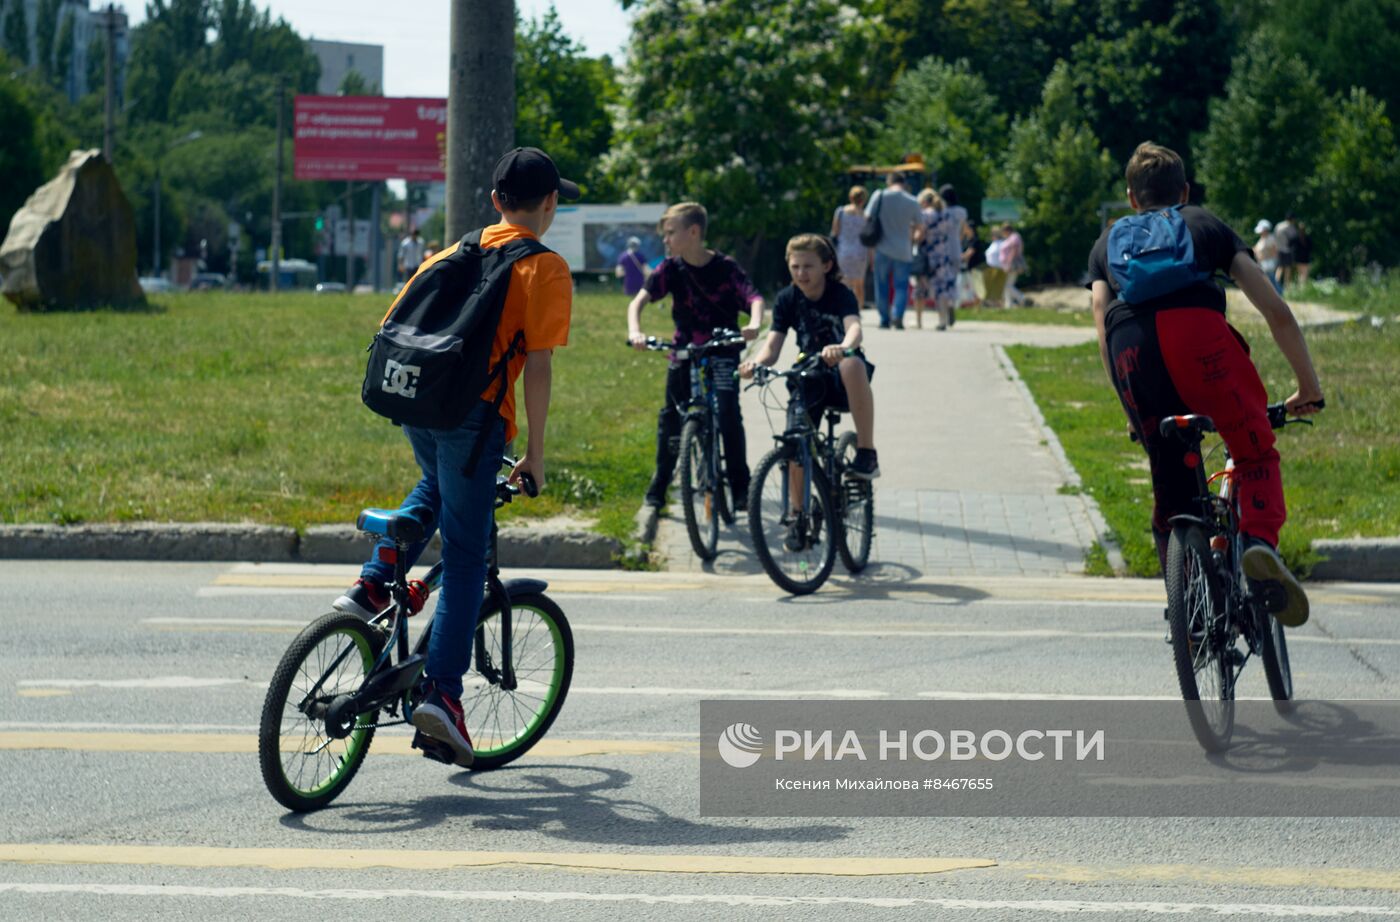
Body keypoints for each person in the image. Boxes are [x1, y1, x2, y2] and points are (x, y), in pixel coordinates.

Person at [333, 147, 577, 766]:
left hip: (417, 399)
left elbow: (395, 320)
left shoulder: (452, 249)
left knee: (436, 487)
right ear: (549, 204)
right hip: (474, 414)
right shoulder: (543, 268)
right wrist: (536, 455)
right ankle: (442, 694)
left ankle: (370, 586)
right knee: (468, 555)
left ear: (495, 200)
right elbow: (539, 366)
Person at [1088, 142, 1324, 627]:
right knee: (1254, 450)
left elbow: (1100, 322)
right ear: (1185, 191)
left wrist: (1133, 414)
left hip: (1132, 350)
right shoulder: (1204, 224)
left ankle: (1190, 616)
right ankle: (1257, 544)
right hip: (1199, 342)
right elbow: (1274, 310)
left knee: (1170, 489)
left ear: (1131, 197)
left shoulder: (1107, 243)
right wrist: (1308, 385)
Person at [740, 234, 879, 547]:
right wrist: (755, 364)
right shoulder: (788, 298)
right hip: (809, 377)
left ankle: (867, 452)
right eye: (795, 266)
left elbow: (854, 326)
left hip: (842, 377)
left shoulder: (840, 293)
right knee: (796, 441)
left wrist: (843, 347)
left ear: (826, 266)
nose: (801, 273)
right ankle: (798, 516)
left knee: (852, 364)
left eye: (808, 266)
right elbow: (773, 345)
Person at [627, 202, 765, 510]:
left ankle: (740, 486)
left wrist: (754, 324)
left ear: (693, 232)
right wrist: (636, 331)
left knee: (729, 412)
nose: (665, 240)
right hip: (684, 349)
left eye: (671, 233)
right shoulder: (670, 268)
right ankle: (660, 482)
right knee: (671, 417)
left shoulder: (726, 268)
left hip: (722, 349)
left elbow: (754, 298)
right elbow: (638, 302)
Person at [864, 173, 921, 330]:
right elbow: (920, 227)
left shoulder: (880, 195)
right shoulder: (912, 201)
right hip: (904, 250)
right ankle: (898, 316)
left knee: (881, 285)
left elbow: (867, 216)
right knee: (901, 286)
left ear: (889, 181)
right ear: (904, 183)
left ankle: (884, 319)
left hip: (882, 248)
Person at [831, 185, 872, 309]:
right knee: (859, 284)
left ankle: (843, 308)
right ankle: (857, 310)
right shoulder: (866, 216)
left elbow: (835, 231)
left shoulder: (841, 211)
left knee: (843, 282)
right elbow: (868, 237)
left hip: (844, 250)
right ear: (864, 199)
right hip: (861, 252)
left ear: (850, 197)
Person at [1000, 221, 1027, 306]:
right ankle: (1009, 304)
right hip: (1009, 263)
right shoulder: (1011, 237)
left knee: (1008, 285)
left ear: (1007, 230)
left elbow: (1014, 251)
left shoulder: (1014, 237)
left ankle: (1021, 298)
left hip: (1012, 264)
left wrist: (1009, 263)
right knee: (1006, 285)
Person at [1253, 219, 1281, 294]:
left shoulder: (1270, 238)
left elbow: (1274, 252)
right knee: (1268, 279)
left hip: (1268, 263)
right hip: (1263, 263)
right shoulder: (1262, 239)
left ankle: (1279, 293)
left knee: (1270, 279)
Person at [1275, 212, 1299, 289]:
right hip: (1287, 250)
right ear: (1292, 219)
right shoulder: (1291, 227)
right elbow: (1294, 238)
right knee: (1288, 269)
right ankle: (1286, 286)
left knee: (1280, 268)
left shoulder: (1278, 225)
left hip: (1279, 249)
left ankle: (1275, 284)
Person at [1294, 219, 1312, 286]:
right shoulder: (1308, 238)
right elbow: (1311, 248)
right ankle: (1302, 287)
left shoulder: (1296, 239)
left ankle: (1300, 287)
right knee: (1305, 274)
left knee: (1300, 274)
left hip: (1299, 259)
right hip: (1305, 258)